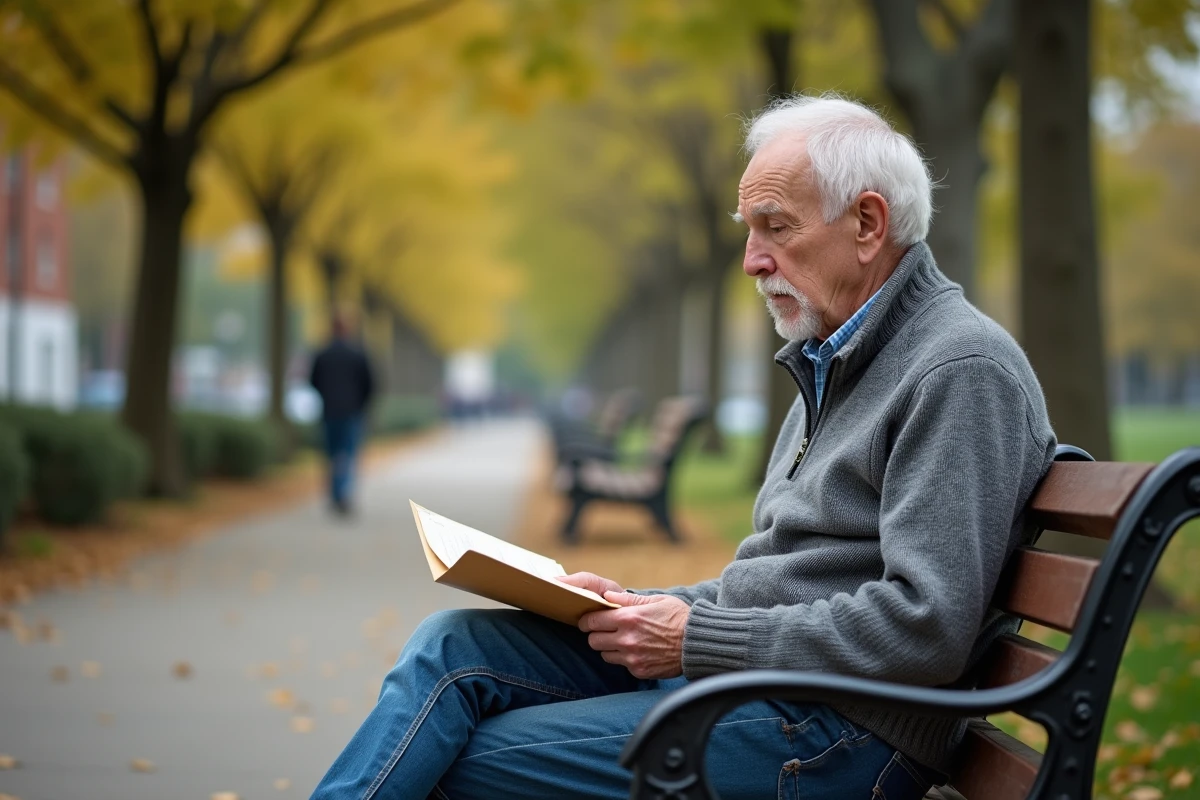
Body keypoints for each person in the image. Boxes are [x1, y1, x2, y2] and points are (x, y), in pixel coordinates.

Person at [311, 94, 1056, 800]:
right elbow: (776, 582)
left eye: (776, 227)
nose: (752, 260)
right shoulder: (833, 358)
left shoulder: (959, 370)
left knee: (463, 761)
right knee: (453, 648)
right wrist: (643, 608)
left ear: (867, 223)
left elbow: (925, 627)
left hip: (842, 734)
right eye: (747, 229)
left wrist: (696, 636)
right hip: (768, 691)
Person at [309, 314, 376, 516]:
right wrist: (361, 405)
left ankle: (335, 493)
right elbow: (370, 384)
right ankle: (343, 493)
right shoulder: (358, 354)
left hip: (329, 411)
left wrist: (326, 397)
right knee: (347, 453)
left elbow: (313, 381)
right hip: (351, 412)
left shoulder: (322, 354)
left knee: (331, 455)